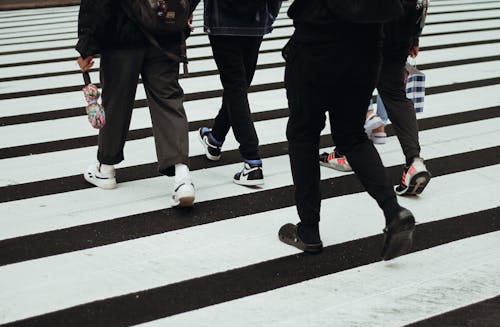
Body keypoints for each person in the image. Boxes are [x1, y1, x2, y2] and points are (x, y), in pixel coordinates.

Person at [278, 0, 416, 261]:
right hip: (366, 49)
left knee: (304, 134)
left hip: (316, 44)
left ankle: (309, 229)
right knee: (351, 134)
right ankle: (393, 210)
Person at [76, 0, 196, 207]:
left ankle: (106, 168)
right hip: (165, 37)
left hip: (121, 38)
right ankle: (181, 176)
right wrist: (183, 15)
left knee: (116, 101)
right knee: (168, 101)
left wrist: (87, 45)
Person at [320, 0, 431, 197]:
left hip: (371, 22)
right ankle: (414, 161)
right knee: (395, 94)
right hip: (405, 23)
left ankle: (348, 148)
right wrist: (414, 37)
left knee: (346, 83)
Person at [192, 0, 282, 186]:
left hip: (222, 23)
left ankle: (252, 159)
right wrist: (269, 14)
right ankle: (215, 139)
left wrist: (184, 13)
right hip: (255, 21)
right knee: (238, 88)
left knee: (235, 88)